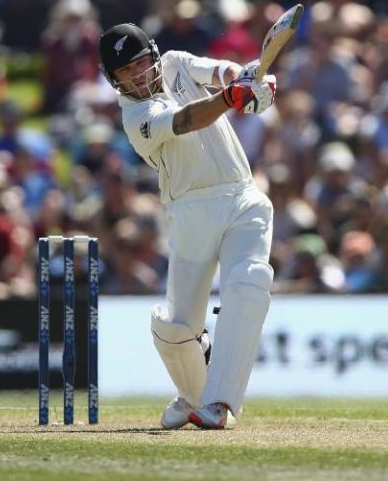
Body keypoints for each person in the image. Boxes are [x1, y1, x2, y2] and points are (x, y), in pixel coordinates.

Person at [98, 22, 277, 430]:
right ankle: (191, 395)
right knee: (174, 328)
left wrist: (249, 80)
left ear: (155, 55)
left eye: (142, 62)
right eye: (127, 71)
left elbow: (219, 73)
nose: (140, 74)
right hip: (189, 211)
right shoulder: (137, 117)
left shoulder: (177, 63)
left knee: (249, 282)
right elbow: (187, 119)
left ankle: (218, 404)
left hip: (242, 195)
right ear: (115, 81)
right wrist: (234, 98)